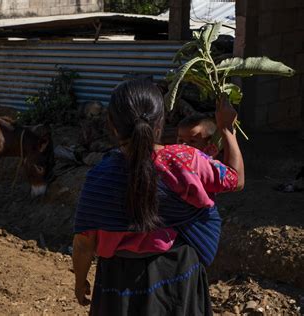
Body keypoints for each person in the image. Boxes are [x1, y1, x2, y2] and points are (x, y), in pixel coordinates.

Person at [72, 79, 244, 315]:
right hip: (178, 276)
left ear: (112, 125)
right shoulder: (188, 160)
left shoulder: (100, 177)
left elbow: (83, 243)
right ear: (160, 123)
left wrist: (79, 282)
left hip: (119, 280)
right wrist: (226, 129)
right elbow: (236, 179)